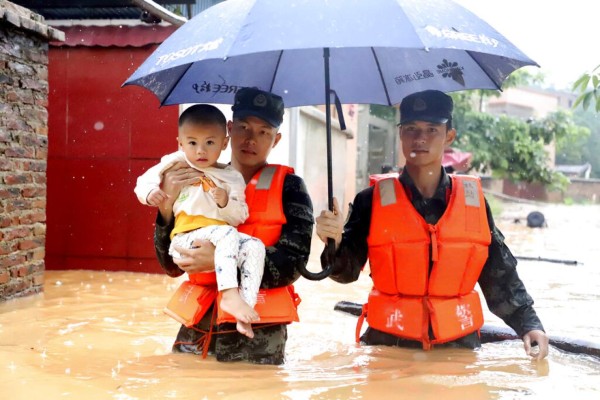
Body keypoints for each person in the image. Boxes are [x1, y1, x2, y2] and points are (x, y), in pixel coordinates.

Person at [315, 89, 550, 360]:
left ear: (449, 136)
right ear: (401, 133)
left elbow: (499, 273)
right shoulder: (371, 201)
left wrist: (529, 324)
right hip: (388, 349)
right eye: (412, 129)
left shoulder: (473, 203)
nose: (420, 138)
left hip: (458, 348)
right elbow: (344, 274)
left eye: (432, 129)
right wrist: (333, 241)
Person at [153, 88, 314, 365]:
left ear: (276, 139)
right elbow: (169, 265)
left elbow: (294, 263)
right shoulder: (195, 177)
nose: (251, 139)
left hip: (257, 340)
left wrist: (219, 261)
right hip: (197, 333)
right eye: (243, 127)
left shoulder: (291, 188)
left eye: (263, 132)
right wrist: (165, 207)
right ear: (229, 130)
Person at [134, 104, 265, 339]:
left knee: (255, 246)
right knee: (228, 235)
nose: (200, 151)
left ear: (224, 144)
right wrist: (151, 192)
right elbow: (143, 181)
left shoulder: (231, 178)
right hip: (185, 240)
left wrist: (225, 202)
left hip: (221, 240)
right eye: (192, 143)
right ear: (180, 143)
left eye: (210, 143)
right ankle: (229, 293)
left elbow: (240, 216)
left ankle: (244, 311)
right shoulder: (175, 164)